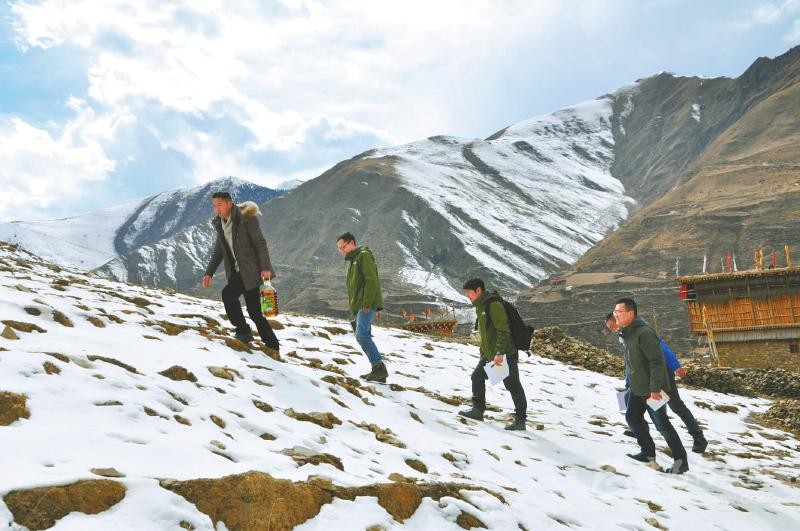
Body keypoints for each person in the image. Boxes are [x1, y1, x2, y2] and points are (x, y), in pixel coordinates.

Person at [605, 313, 708, 453]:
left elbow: (662, 347)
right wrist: (629, 382)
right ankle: (638, 429)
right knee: (627, 398)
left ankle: (699, 438)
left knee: (676, 406)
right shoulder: (624, 337)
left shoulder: (641, 332)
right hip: (642, 378)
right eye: (610, 329)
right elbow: (629, 362)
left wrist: (676, 366)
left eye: (613, 327)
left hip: (661, 374)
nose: (613, 330)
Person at [614, 298, 688, 474]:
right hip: (637, 388)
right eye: (615, 312)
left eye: (619, 312)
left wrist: (655, 388)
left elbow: (657, 362)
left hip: (653, 390)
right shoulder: (627, 333)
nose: (615, 315)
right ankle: (647, 453)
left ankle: (681, 462)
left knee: (662, 426)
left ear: (631, 313)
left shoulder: (644, 333)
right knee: (632, 418)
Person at [202, 191, 279, 352]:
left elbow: (260, 243)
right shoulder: (220, 223)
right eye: (214, 206)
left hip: (251, 269)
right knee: (255, 312)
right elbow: (218, 252)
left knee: (228, 294)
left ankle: (243, 330)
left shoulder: (246, 218)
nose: (217, 209)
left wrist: (265, 267)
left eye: (219, 205)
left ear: (229, 203)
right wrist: (209, 273)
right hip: (237, 271)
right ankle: (273, 345)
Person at [458, 278, 527, 431]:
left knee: (513, 385)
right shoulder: (480, 306)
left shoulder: (493, 305)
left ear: (478, 290)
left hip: (504, 355)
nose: (467, 295)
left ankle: (521, 420)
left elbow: (504, 331)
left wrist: (499, 353)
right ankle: (478, 410)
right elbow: (486, 333)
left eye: (469, 292)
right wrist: (483, 351)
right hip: (490, 355)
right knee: (477, 377)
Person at [336, 232, 388, 383]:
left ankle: (379, 368)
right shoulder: (354, 260)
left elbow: (371, 280)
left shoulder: (363, 255)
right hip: (361, 305)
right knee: (364, 335)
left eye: (343, 247)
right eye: (339, 248)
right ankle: (377, 371)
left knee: (361, 335)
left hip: (366, 304)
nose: (341, 251)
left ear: (352, 243)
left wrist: (367, 303)